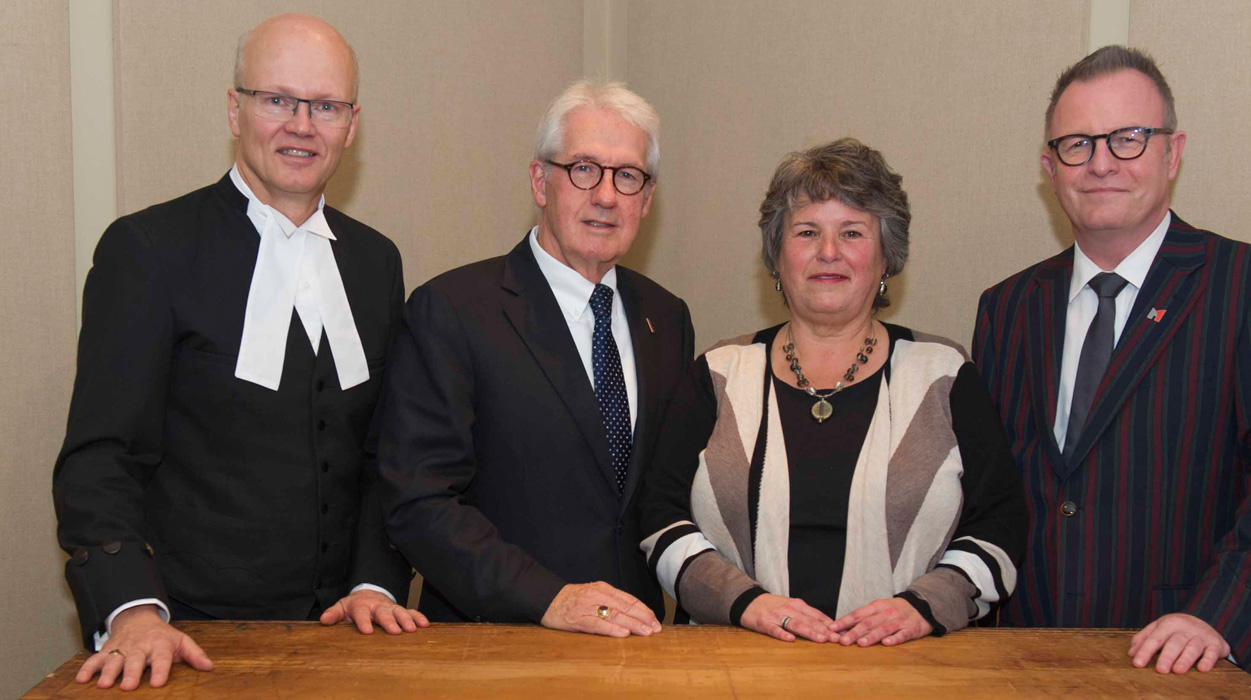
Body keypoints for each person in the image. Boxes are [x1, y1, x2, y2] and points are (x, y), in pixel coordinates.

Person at [52, 14, 425, 692]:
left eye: (325, 106)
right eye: (277, 99)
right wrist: (132, 610)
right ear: (234, 108)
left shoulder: (376, 262)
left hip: (345, 635)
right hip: (187, 638)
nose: (301, 125)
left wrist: (377, 580)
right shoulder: (147, 251)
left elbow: (383, 454)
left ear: (352, 123)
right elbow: (100, 459)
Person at [972, 46, 1251, 689]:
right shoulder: (1006, 307)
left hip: (1186, 661)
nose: (1102, 163)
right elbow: (993, 488)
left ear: (1172, 153)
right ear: (1049, 169)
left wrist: (1218, 617)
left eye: (1129, 138)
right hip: (1027, 663)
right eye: (1077, 144)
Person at [639, 138, 1026, 646]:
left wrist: (924, 607)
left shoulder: (945, 377)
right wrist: (746, 603)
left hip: (909, 671)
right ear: (777, 257)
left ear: (886, 256)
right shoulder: (716, 375)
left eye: (851, 232)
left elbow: (999, 525)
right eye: (806, 232)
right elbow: (659, 518)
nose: (828, 252)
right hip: (734, 665)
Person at [375, 81, 694, 637]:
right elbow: (420, 501)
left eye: (628, 176)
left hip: (638, 642)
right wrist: (549, 599)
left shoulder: (666, 319)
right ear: (539, 181)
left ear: (646, 199)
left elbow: (664, 497)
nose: (606, 195)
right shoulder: (453, 310)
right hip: (497, 642)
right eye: (584, 169)